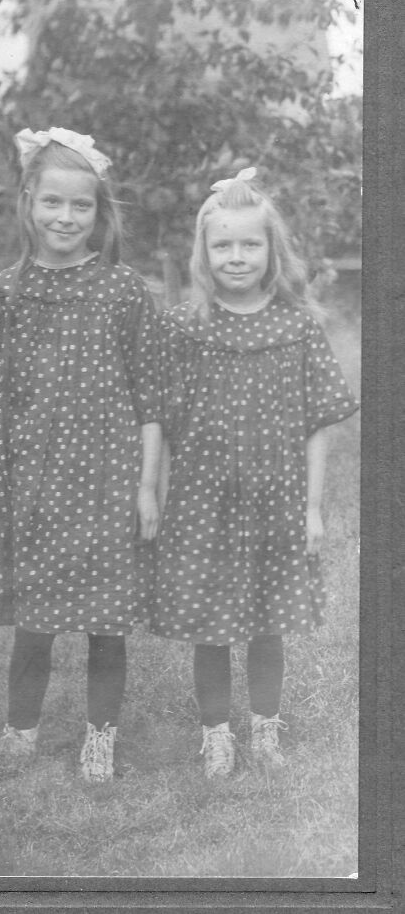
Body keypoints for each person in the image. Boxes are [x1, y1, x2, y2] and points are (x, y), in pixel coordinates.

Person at [0, 127, 162, 782]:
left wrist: (146, 488)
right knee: (33, 624)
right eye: (52, 202)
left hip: (108, 483)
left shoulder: (123, 290)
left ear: (99, 213)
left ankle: (101, 736)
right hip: (32, 487)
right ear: (27, 202)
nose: (65, 217)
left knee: (107, 622)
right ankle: (20, 729)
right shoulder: (1, 295)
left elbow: (152, 400)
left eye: (81, 205)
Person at [150, 168, 359, 778]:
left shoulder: (297, 326)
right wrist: (152, 493)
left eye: (249, 243)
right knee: (210, 627)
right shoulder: (184, 327)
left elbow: (317, 424)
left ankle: (266, 730)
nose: (236, 256)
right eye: (223, 245)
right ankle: (216, 734)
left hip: (277, 501)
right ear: (203, 253)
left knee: (270, 623)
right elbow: (158, 417)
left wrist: (312, 508)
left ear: (272, 250)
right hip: (203, 503)